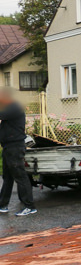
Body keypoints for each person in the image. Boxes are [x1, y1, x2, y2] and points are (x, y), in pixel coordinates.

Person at [0, 88, 36, 216]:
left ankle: (29, 206)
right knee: (7, 177)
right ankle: (2, 205)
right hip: (8, 147)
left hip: (15, 147)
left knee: (20, 176)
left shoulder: (14, 107)